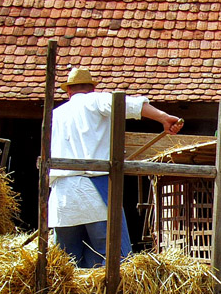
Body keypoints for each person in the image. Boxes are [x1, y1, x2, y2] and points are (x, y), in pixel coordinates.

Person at [50, 67, 183, 268]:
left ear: (69, 91)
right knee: (112, 260)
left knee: (66, 264)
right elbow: (128, 104)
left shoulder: (57, 114)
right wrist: (163, 117)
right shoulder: (94, 101)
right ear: (92, 89)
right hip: (93, 190)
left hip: (62, 197)